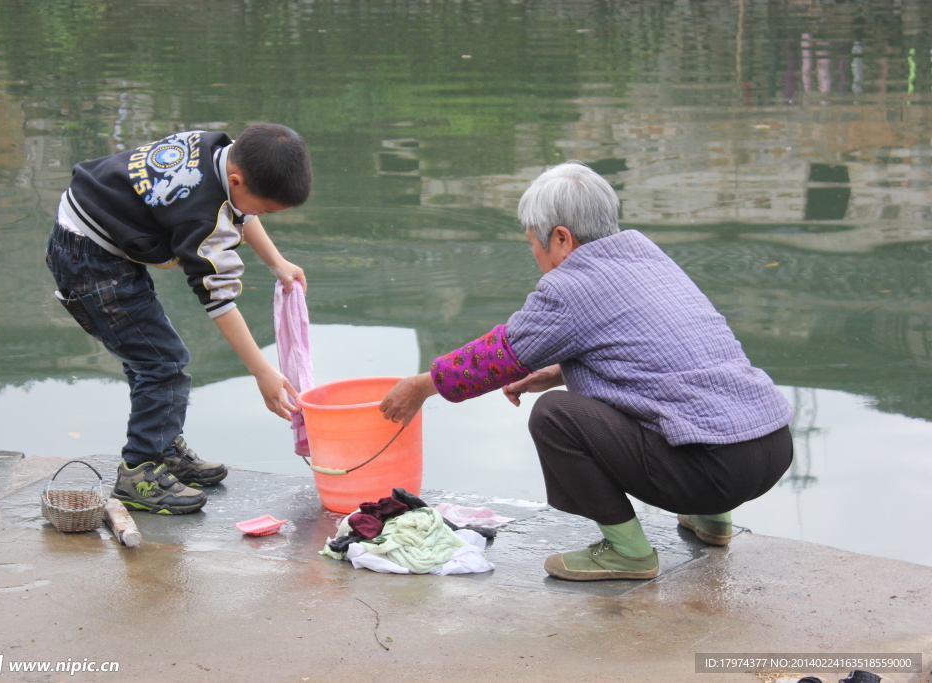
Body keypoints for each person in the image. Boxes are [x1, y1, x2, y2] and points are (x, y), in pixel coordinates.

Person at [379, 162, 793, 581]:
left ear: (561, 238)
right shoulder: (648, 256)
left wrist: (420, 386)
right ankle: (712, 520)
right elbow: (658, 355)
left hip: (712, 471)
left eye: (533, 244)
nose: (535, 256)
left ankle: (627, 551)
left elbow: (496, 357)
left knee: (556, 415)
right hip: (771, 448)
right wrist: (558, 370)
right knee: (680, 398)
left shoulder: (570, 285)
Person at [45, 124, 311, 515]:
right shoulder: (203, 216)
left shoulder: (216, 147)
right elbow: (218, 299)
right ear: (236, 180)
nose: (262, 215)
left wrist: (277, 262)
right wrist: (262, 371)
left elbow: (238, 209)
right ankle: (140, 471)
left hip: (93, 231)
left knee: (151, 357)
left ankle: (163, 447)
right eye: (266, 209)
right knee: (163, 362)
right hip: (91, 261)